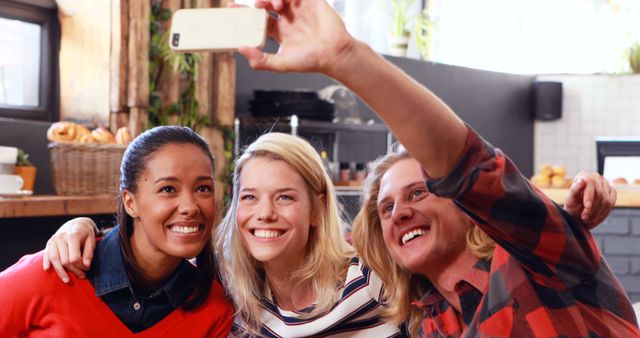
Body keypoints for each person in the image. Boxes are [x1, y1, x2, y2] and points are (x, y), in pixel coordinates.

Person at [235, 0, 640, 336]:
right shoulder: (429, 322)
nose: (400, 212)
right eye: (386, 209)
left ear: (466, 205)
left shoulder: (532, 257)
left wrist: (345, 57)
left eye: (418, 192)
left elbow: (465, 163)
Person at [43, 132, 407, 337]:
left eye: (285, 197)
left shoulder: (371, 277)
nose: (264, 213)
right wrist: (83, 227)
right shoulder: (232, 294)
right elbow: (150, 241)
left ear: (317, 208)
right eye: (250, 197)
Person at [0, 126, 233, 337]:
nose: (190, 207)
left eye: (203, 188)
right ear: (130, 203)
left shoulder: (215, 310)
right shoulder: (55, 270)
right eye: (168, 189)